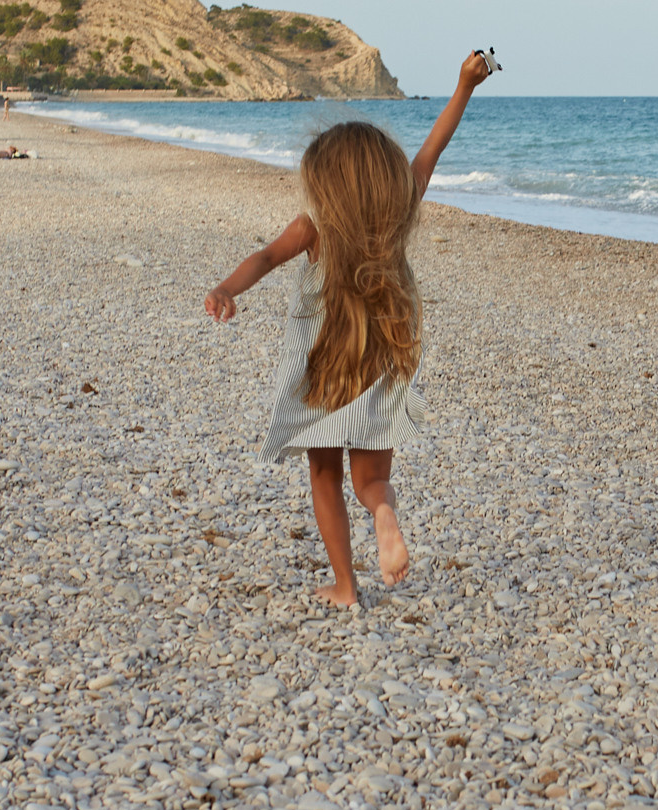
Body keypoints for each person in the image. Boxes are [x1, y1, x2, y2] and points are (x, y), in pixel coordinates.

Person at [204, 51, 494, 608]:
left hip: (324, 366)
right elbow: (434, 148)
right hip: (379, 360)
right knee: (370, 481)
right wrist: (464, 85)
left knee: (324, 476)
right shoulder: (398, 207)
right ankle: (384, 514)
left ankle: (344, 585)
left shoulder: (314, 227)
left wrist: (225, 290)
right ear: (382, 174)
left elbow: (265, 258)